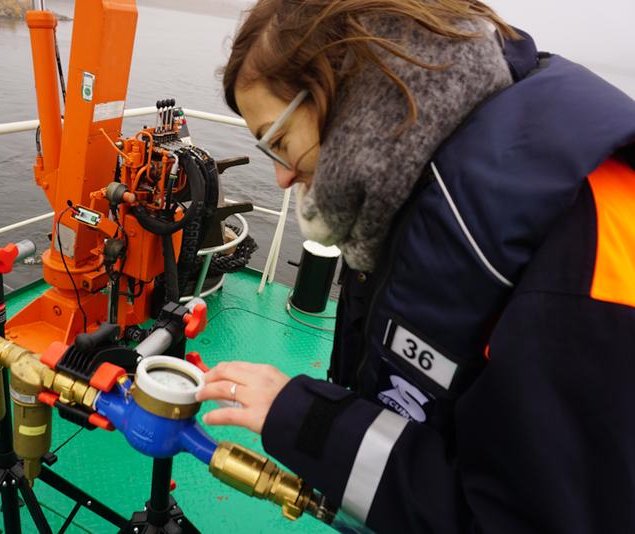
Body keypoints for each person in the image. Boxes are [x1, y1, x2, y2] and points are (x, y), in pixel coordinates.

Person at [195, 1, 635, 532]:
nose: (283, 179)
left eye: (280, 142)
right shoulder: (418, 176)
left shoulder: (580, 244)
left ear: (359, 92)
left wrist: (307, 421)